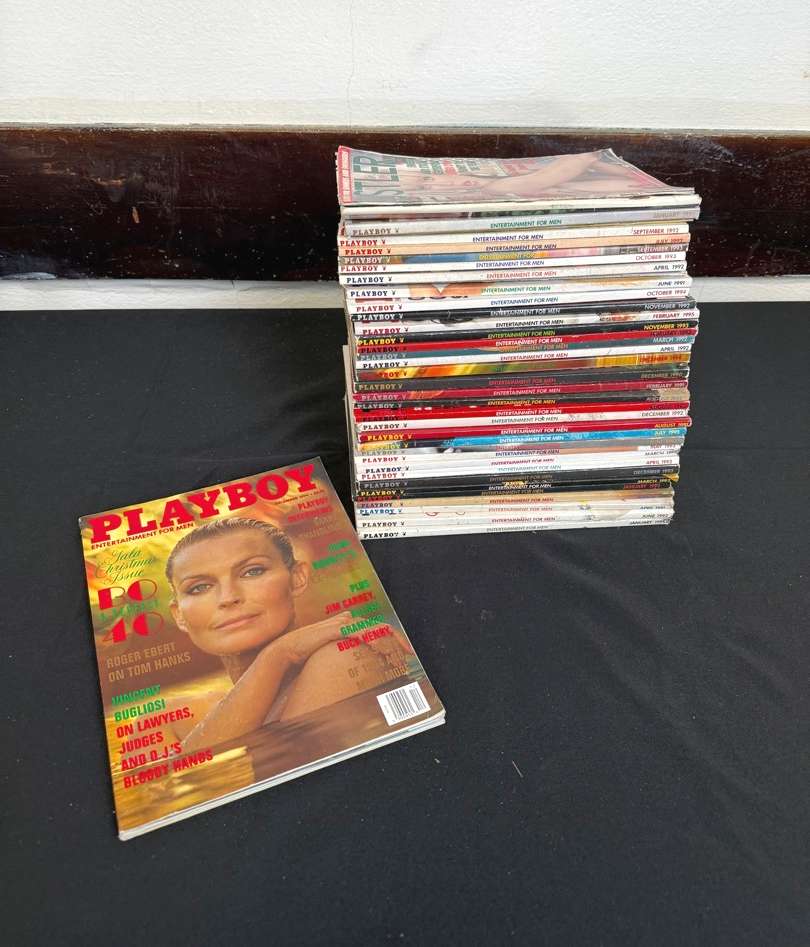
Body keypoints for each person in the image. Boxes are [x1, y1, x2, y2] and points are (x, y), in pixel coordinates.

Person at [164, 517, 411, 751]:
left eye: (252, 571)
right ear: (179, 616)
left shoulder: (344, 656)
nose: (228, 598)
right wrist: (278, 654)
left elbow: (291, 766)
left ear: (297, 578)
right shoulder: (174, 717)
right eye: (199, 587)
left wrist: (278, 655)